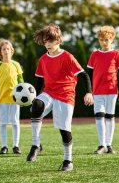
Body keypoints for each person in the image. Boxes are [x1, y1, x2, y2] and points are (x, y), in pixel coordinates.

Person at [27, 23, 94, 171]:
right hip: (49, 93)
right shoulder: (43, 59)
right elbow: (39, 80)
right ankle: (36, 145)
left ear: (58, 40)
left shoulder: (67, 57)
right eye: (45, 41)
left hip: (65, 95)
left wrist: (89, 92)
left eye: (50, 41)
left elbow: (83, 75)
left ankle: (68, 161)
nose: (47, 44)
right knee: (37, 105)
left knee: (64, 131)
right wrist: (34, 98)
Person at [87, 25, 119, 154]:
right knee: (99, 116)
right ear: (99, 40)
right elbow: (89, 74)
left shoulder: (116, 54)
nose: (104, 42)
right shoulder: (94, 55)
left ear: (112, 39)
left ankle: (109, 145)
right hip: (97, 92)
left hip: (112, 91)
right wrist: (89, 91)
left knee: (110, 117)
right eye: (102, 39)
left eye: (107, 40)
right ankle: (102, 145)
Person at [0, 39, 24, 154]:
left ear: (12, 51)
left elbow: (21, 82)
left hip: (14, 100)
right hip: (2, 100)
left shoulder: (16, 65)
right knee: (2, 123)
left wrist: (23, 96)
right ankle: (4, 146)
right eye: (3, 49)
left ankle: (16, 145)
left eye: (8, 49)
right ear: (0, 52)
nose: (6, 51)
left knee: (15, 123)